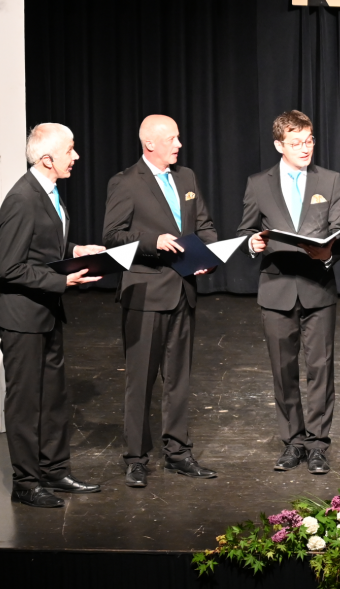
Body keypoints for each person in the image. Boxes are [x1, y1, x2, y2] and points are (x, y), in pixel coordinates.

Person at [102, 114, 219, 488]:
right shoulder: (125, 182)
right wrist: (153, 243)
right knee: (141, 381)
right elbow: (113, 236)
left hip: (183, 290)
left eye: (179, 138)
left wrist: (209, 255)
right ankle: (136, 458)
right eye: (172, 139)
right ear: (149, 143)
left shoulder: (186, 178)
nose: (179, 144)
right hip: (146, 293)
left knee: (178, 379)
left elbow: (204, 225)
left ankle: (178, 453)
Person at [0, 123, 105, 508]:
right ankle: (26, 482)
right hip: (21, 317)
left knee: (54, 397)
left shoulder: (49, 192)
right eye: (69, 150)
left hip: (46, 311)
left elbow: (43, 245)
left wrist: (74, 250)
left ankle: (55, 470)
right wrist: (62, 280)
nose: (76, 157)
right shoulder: (21, 199)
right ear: (46, 159)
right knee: (26, 402)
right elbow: (10, 268)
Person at [237, 111, 340, 475]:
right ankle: (293, 442)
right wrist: (252, 243)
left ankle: (318, 444)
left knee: (320, 368)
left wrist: (328, 251)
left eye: (309, 141)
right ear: (279, 145)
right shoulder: (259, 183)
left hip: (318, 287)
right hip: (277, 287)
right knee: (283, 369)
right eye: (297, 143)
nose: (305, 148)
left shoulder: (329, 180)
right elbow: (246, 230)